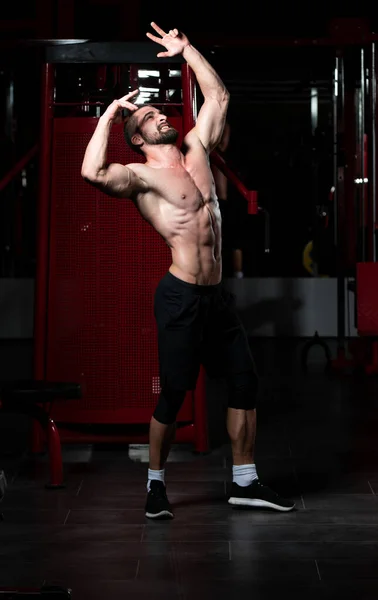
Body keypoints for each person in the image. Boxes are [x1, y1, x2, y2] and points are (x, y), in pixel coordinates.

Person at [81, 21, 295, 519]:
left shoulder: (198, 150)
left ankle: (245, 481)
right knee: (174, 392)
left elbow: (218, 97)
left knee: (244, 380)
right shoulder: (142, 176)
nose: (160, 119)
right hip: (179, 296)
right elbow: (92, 172)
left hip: (216, 297)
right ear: (137, 138)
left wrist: (187, 51)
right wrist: (112, 115)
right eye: (151, 118)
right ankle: (155, 485)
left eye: (159, 113)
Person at [211, 122, 246, 279]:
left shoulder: (227, 157)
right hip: (213, 203)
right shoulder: (207, 154)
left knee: (235, 239)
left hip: (228, 203)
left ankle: (238, 274)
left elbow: (224, 136)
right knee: (213, 241)